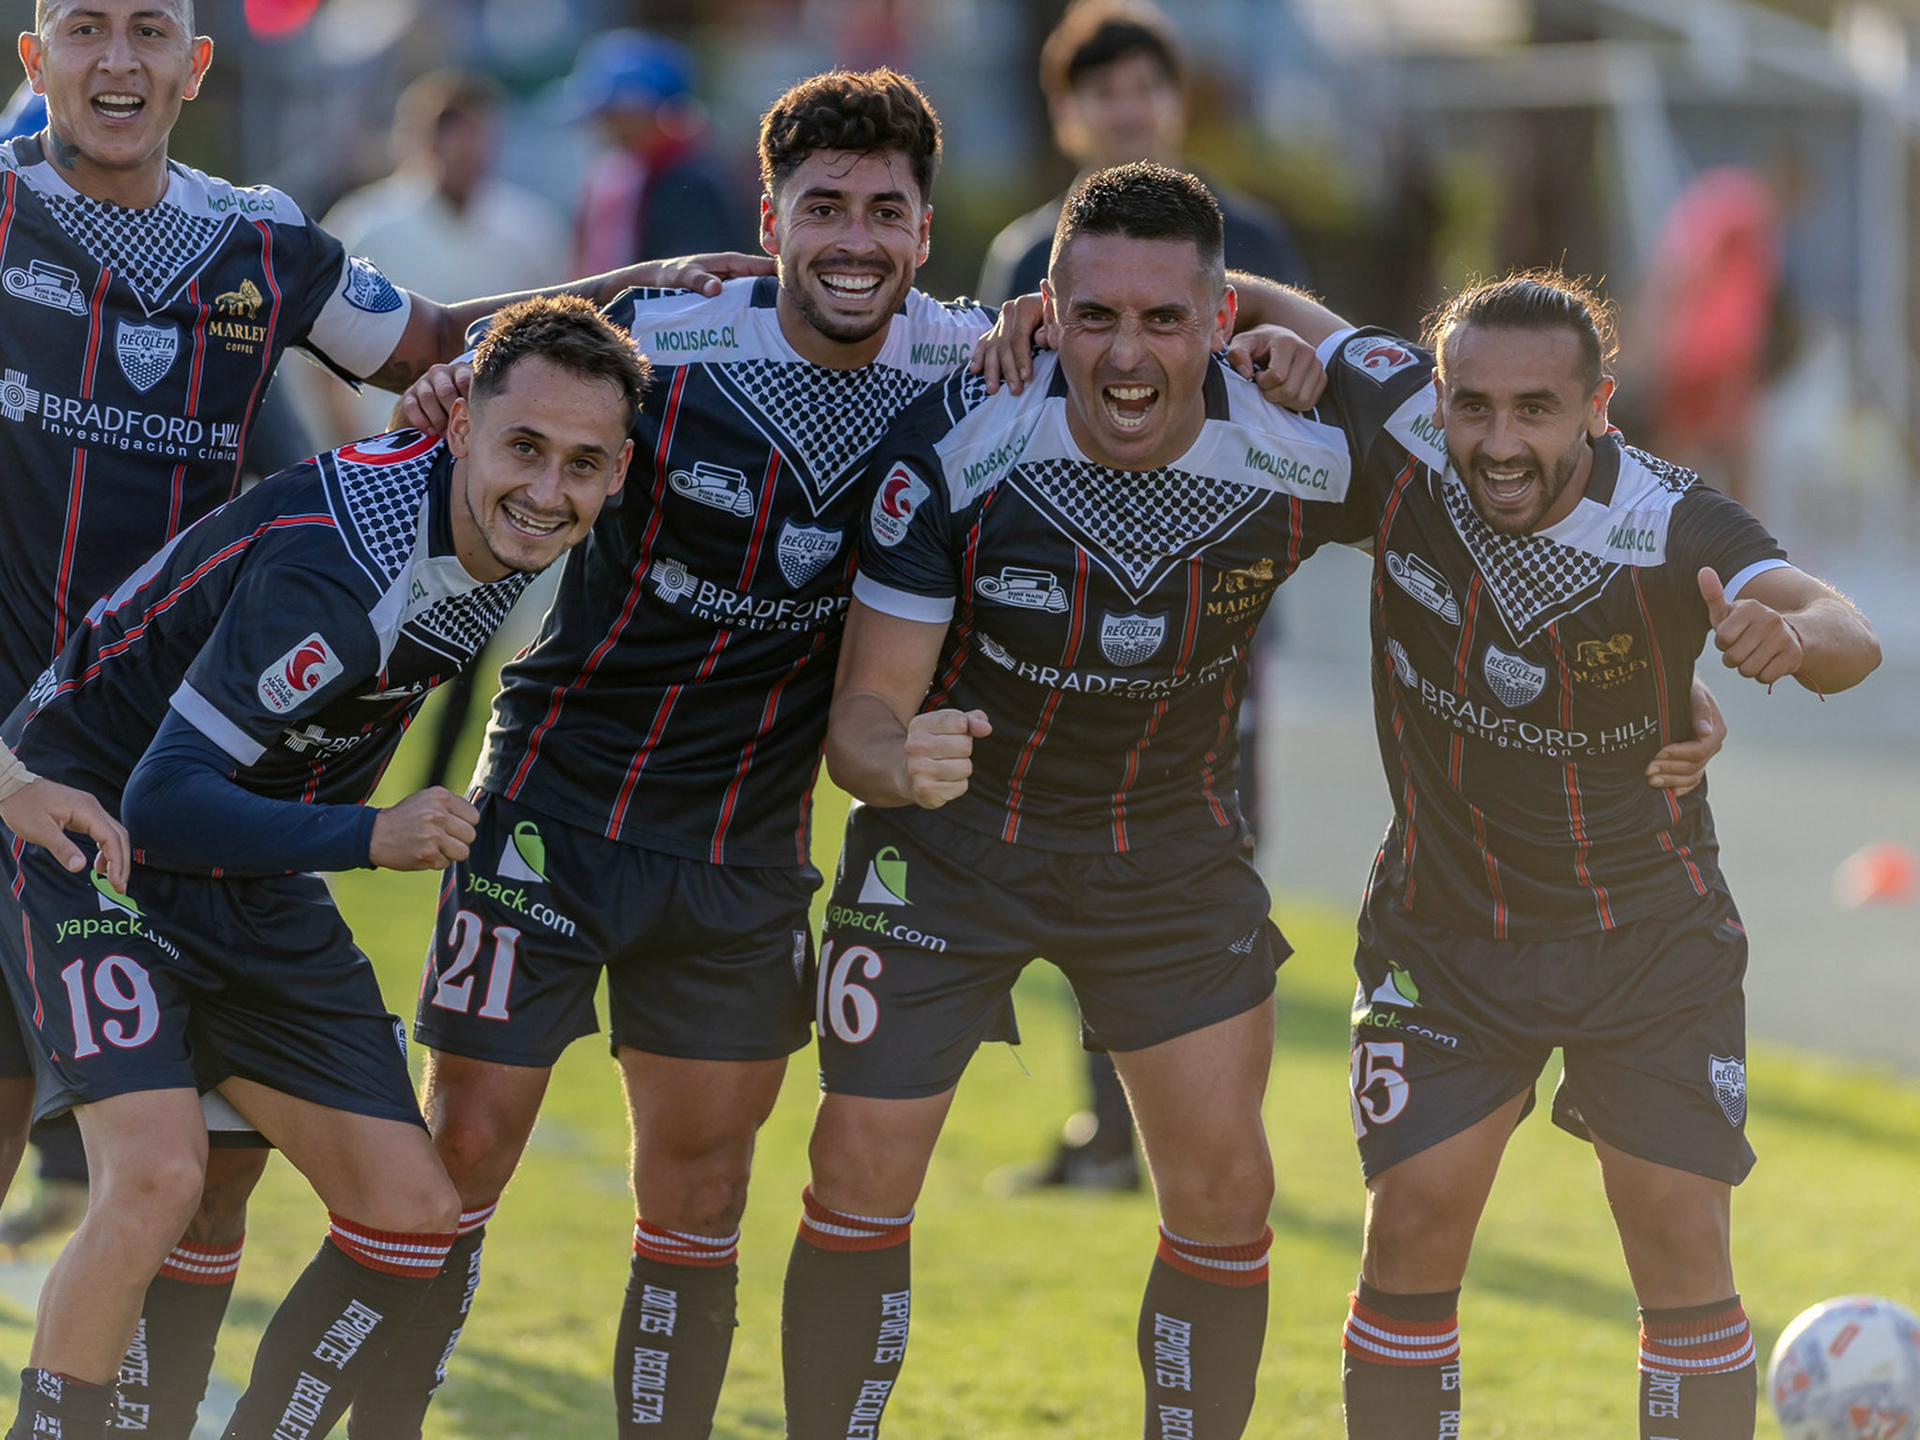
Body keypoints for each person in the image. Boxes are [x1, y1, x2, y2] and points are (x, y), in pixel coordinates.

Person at [0, 1, 765, 1432]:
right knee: (123, 1173)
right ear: (33, 59)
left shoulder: (267, 250)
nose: (117, 60)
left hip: (197, 754)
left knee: (207, 1180)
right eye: (84, 29)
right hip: (43, 767)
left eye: (148, 28)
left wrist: (654, 283)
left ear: (193, 62)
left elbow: (453, 348)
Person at [362, 69, 999, 1439]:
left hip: (744, 844)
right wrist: (456, 398)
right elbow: (484, 363)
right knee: (460, 1154)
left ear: (926, 230)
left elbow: (1164, 346)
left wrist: (1267, 348)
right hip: (555, 798)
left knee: (703, 1195)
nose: (854, 238)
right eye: (821, 205)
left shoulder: (976, 360)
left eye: (886, 211)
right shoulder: (666, 326)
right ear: (768, 215)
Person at [1225, 272, 1879, 1438]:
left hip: (1648, 937)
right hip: (1447, 927)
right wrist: (1044, 312)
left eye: (1536, 409)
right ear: (1437, 394)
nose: (1499, 439)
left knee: (1681, 1243)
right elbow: (1224, 287)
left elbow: (1847, 630)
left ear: (1598, 409)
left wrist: (1792, 635)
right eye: (1473, 404)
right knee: (1415, 1221)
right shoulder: (1403, 433)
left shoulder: (1674, 523)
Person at [0, 293, 646, 1440]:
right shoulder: (343, 573)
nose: (549, 491)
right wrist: (371, 835)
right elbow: (161, 798)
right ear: (461, 430)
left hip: (237, 858)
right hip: (81, 835)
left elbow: (575, 347)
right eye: (525, 450)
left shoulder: (503, 500)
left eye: (584, 464)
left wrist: (683, 273)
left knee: (409, 1217)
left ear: (621, 467)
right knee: (158, 1178)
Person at [980, 0, 1311, 1192]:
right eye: (1103, 92)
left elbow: (1299, 392)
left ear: (1178, 106)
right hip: (1051, 620)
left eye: (1147, 90)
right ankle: (1103, 1126)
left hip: (1214, 620)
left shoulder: (1251, 236)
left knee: (1199, 846)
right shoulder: (1025, 253)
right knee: (1067, 839)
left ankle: (1185, 1133)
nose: (1128, 110)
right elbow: (991, 417)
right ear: (1070, 116)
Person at [320, 67, 571, 793]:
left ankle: (439, 780)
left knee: (476, 628)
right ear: (421, 138)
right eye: (453, 134)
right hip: (386, 468)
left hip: (486, 472)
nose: (469, 151)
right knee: (366, 637)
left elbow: (562, 341)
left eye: (480, 135)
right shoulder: (368, 223)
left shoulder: (527, 229)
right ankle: (331, 778)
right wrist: (347, 439)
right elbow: (316, 352)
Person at [562, 29, 745, 278]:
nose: (603, 126)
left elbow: (690, 283)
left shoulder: (693, 182)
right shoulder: (619, 172)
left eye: (612, 115)